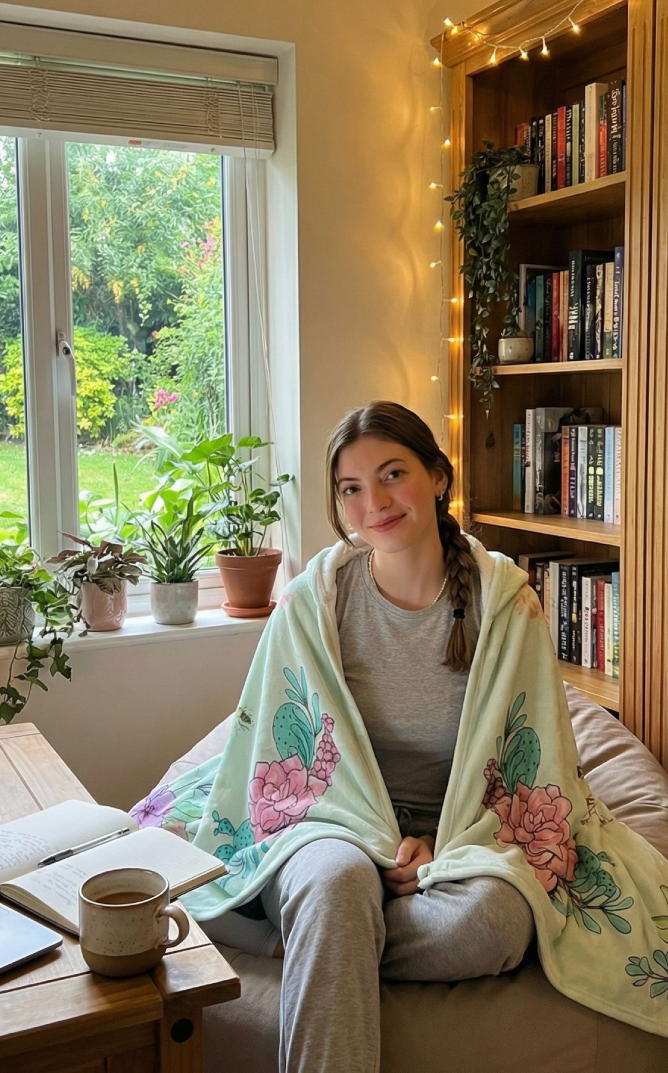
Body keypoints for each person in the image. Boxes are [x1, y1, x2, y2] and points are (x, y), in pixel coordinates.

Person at [203, 400, 536, 1073]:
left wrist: (441, 843)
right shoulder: (316, 600)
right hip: (330, 825)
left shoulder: (505, 603)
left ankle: (322, 936)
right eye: (351, 488)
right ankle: (330, 919)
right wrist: (364, 849)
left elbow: (527, 761)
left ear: (438, 476)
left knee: (494, 924)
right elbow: (279, 751)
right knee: (334, 884)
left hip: (457, 836)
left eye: (392, 474)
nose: (374, 503)